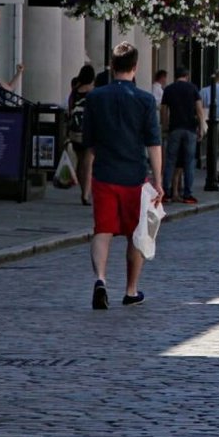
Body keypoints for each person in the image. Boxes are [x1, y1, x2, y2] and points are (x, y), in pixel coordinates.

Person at [78, 42, 162, 309]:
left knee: (102, 231)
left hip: (104, 174)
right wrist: (158, 181)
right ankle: (131, 289)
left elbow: (88, 143)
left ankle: (100, 280)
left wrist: (86, 177)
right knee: (136, 235)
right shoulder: (145, 100)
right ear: (135, 68)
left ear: (112, 67)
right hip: (134, 177)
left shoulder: (95, 98)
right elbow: (153, 143)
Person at [159, 66, 204, 204]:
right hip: (190, 128)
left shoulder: (169, 89)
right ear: (187, 75)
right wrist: (201, 127)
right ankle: (187, 194)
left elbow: (163, 109)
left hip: (175, 128)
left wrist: (165, 126)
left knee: (170, 161)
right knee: (189, 162)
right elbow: (199, 109)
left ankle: (166, 192)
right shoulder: (192, 88)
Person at [65, 65, 96, 206]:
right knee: (88, 163)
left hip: (75, 130)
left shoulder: (75, 91)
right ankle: (86, 194)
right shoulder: (94, 92)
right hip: (89, 130)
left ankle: (82, 189)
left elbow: (70, 109)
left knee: (79, 161)